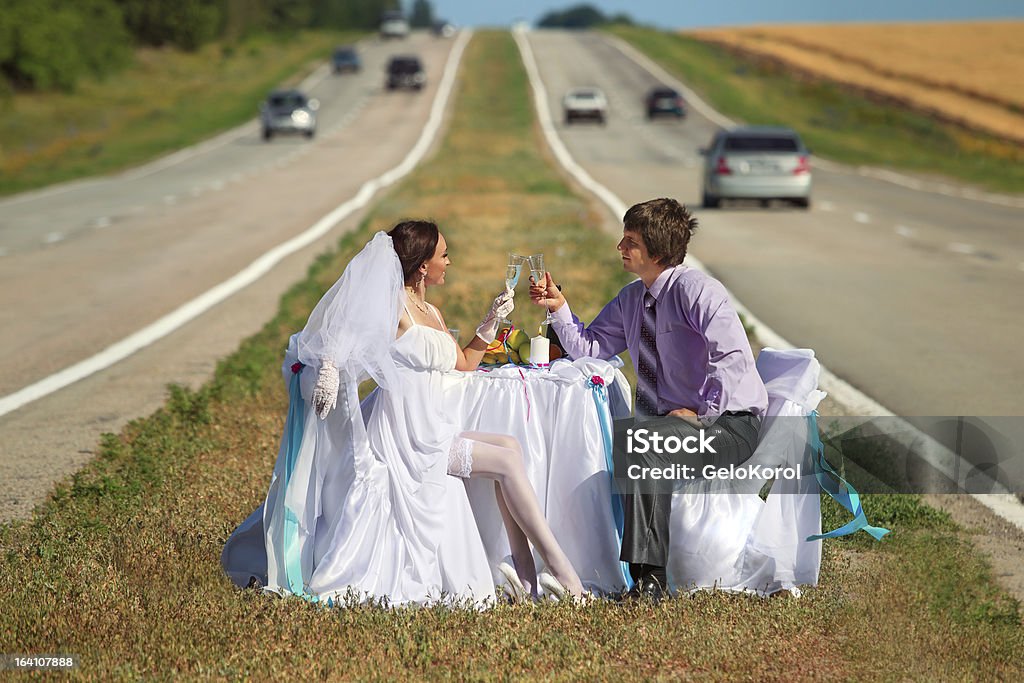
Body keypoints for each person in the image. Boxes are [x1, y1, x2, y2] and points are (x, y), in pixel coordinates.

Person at [221, 220, 585, 605]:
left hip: (433, 429)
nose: (450, 261)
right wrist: (330, 366)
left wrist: (491, 320)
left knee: (510, 445)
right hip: (407, 441)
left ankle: (526, 577)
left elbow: (463, 363)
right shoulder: (392, 305)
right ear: (424, 265)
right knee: (507, 463)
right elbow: (339, 331)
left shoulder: (431, 310)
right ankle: (564, 575)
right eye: (444, 255)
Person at [530, 198, 768, 600]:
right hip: (677, 423)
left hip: (730, 424)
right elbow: (591, 347)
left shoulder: (698, 291)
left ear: (656, 251)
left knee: (641, 445)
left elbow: (730, 358)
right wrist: (560, 309)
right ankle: (642, 578)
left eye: (630, 241)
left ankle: (649, 581)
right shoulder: (631, 299)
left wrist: (701, 414)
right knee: (632, 443)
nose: (620, 248)